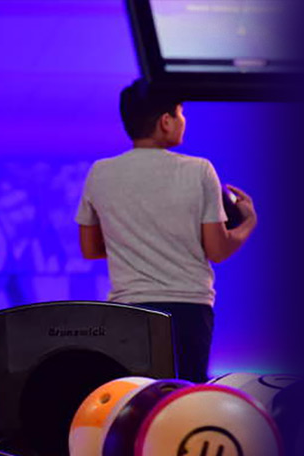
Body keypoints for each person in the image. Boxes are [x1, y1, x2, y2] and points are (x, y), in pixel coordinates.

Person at [75, 79, 259, 382]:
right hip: (187, 309)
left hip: (128, 310)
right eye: (181, 114)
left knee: (134, 404)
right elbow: (218, 250)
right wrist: (250, 221)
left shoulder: (100, 172)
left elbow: (90, 248)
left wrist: (134, 239)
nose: (183, 122)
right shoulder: (199, 170)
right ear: (165, 121)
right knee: (181, 404)